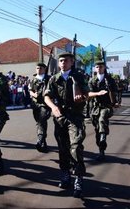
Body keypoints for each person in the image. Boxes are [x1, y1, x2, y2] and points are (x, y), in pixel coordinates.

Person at [44, 52, 89, 198]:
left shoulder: (79, 76)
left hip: (75, 117)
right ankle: (65, 174)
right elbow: (46, 96)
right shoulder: (54, 78)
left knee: (75, 147)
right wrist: (53, 107)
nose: (63, 63)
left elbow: (87, 94)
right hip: (60, 118)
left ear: (72, 62)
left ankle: (78, 179)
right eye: (61, 61)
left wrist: (81, 97)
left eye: (66, 61)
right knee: (63, 149)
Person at [88, 61, 119, 161]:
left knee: (102, 120)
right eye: (97, 67)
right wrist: (98, 93)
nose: (99, 68)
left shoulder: (110, 80)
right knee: (97, 129)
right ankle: (101, 151)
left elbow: (115, 92)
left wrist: (116, 102)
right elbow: (88, 93)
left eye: (101, 66)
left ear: (104, 68)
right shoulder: (92, 80)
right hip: (95, 108)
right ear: (95, 68)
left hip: (106, 106)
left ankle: (103, 138)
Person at [29, 63, 51, 153]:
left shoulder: (49, 79)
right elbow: (30, 91)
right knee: (39, 123)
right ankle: (43, 142)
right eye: (37, 68)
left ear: (45, 69)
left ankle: (40, 140)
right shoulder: (33, 80)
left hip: (45, 104)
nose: (38, 69)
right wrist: (35, 95)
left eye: (41, 68)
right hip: (35, 104)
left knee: (41, 121)